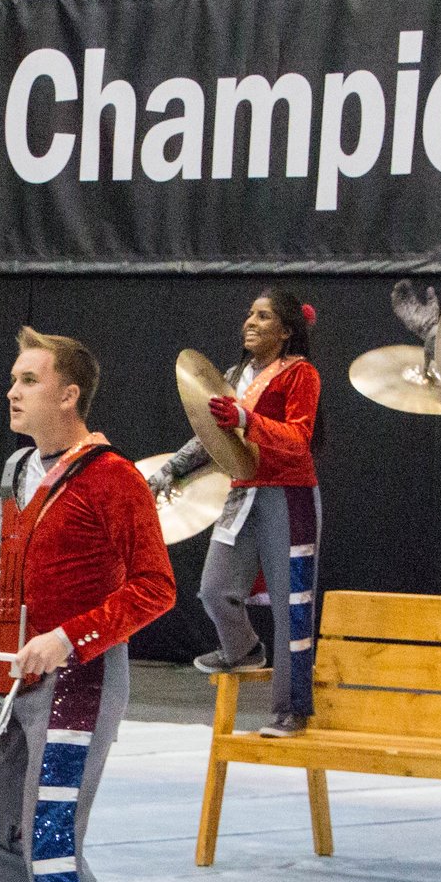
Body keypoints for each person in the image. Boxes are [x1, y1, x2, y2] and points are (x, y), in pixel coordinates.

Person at [0, 328, 175, 882]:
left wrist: (71, 637)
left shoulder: (114, 477)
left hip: (78, 681)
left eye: (28, 378)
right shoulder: (18, 468)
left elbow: (155, 589)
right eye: (12, 376)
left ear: (68, 392)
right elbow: (5, 573)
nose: (12, 390)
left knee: (50, 841)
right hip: (7, 680)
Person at [150, 289, 324, 736]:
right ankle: (244, 648)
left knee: (292, 609)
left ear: (286, 332)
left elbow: (298, 440)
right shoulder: (234, 375)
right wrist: (171, 469)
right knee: (213, 590)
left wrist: (246, 420)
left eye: (263, 316)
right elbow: (212, 437)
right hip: (243, 493)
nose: (250, 321)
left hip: (288, 495)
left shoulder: (301, 374)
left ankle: (292, 709)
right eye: (249, 313)